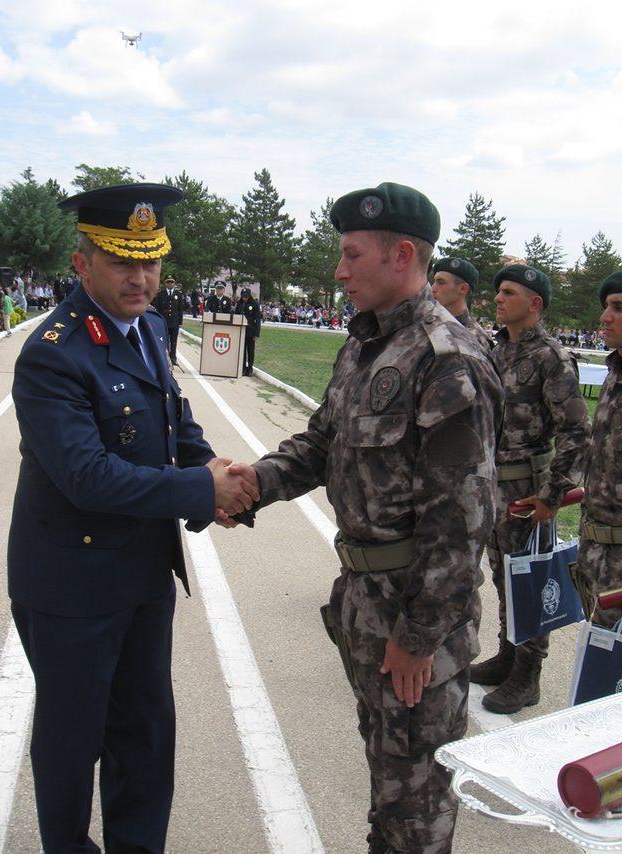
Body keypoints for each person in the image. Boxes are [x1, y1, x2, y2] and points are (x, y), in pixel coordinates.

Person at [230, 182, 504, 854]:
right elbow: (322, 442)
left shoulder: (447, 359)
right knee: (387, 779)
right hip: (362, 602)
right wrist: (251, 485)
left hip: (413, 614)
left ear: (401, 253)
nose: (339, 270)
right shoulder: (366, 346)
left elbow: (461, 522)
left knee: (414, 803)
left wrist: (417, 636)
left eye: (351, 255)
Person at [8, 182, 260, 854]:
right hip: (71, 582)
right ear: (82, 262)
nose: (141, 276)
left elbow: (173, 422)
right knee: (71, 739)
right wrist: (199, 493)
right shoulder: (53, 354)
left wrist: (220, 479)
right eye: (123, 261)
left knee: (145, 732)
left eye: (150, 261)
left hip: (143, 575)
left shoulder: (149, 329)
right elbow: (86, 476)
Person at [471, 264, 590, 714]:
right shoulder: (497, 350)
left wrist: (553, 494)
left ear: (534, 303)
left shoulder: (551, 358)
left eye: (508, 293)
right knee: (503, 575)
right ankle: (506, 655)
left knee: (530, 579)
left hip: (526, 490)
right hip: (492, 484)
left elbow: (577, 432)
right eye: (497, 291)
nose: (498, 299)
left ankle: (528, 675)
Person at [575, 271, 622, 628]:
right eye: (606, 306)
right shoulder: (614, 374)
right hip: (597, 549)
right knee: (598, 662)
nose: (604, 317)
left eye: (618, 307)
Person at [431, 257, 494, 353]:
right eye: (434, 281)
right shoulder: (425, 323)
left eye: (441, 282)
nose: (433, 288)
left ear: (463, 288)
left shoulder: (477, 338)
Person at [154, 274, 183, 365]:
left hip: (174, 322)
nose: (170, 284)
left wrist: (180, 322)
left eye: (172, 282)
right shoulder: (160, 294)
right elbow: (158, 308)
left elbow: (180, 309)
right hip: (164, 321)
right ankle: (164, 358)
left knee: (174, 341)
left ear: (174, 283)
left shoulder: (178, 294)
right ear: (165, 283)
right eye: (168, 282)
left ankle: (173, 358)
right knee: (164, 340)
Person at [236, 286, 261, 376]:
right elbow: (236, 316)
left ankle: (250, 368)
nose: (244, 298)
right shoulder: (239, 304)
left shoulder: (254, 304)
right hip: (241, 331)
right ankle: (242, 368)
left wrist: (257, 333)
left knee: (250, 351)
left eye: (246, 297)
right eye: (243, 296)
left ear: (249, 296)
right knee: (242, 351)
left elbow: (258, 319)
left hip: (251, 331)